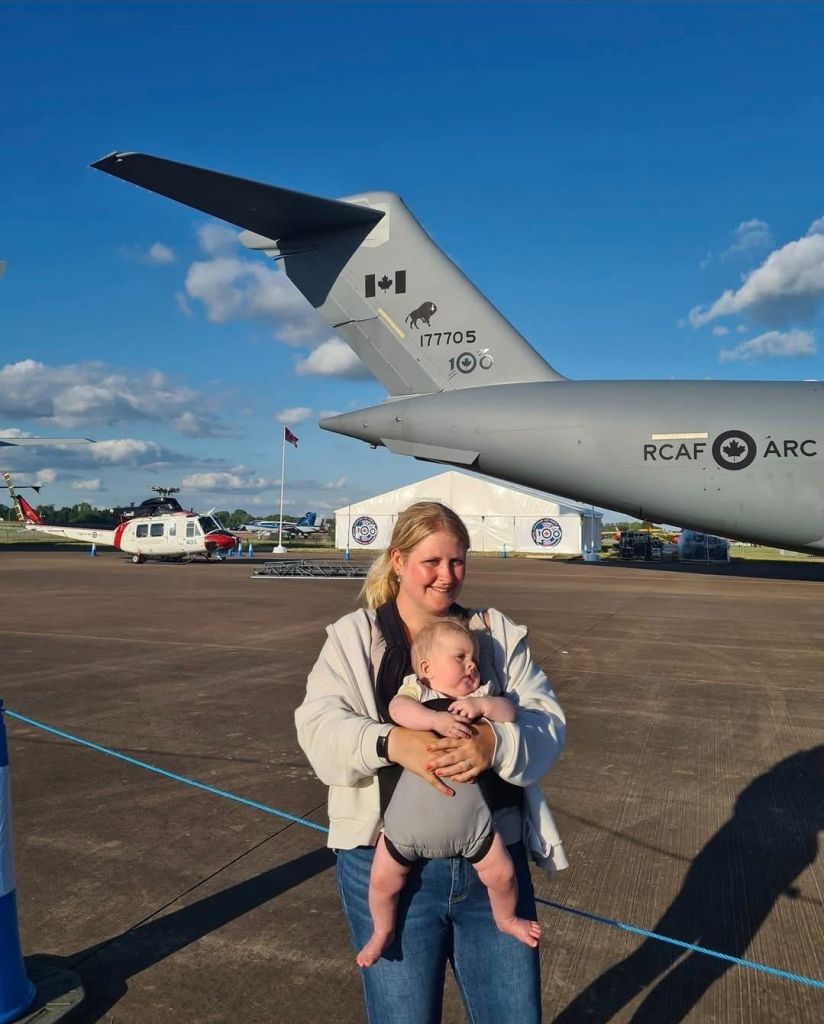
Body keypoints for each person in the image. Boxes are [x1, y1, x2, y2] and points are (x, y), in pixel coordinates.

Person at [295, 501, 567, 1024]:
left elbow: (547, 725)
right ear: (397, 561)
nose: (447, 577)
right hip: (389, 861)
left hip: (493, 859)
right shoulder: (354, 638)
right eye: (431, 562)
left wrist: (493, 744)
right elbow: (318, 731)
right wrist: (392, 744)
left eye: (458, 562)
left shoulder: (494, 635)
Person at [357, 616, 541, 968]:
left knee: (502, 876)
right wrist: (434, 720)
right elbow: (398, 710)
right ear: (426, 668)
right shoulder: (418, 690)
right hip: (405, 831)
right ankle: (382, 930)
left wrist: (483, 707)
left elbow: (510, 711)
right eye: (460, 658)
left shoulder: (480, 695)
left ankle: (506, 919)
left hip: (476, 832)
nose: (471, 665)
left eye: (473, 658)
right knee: (382, 882)